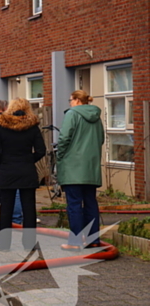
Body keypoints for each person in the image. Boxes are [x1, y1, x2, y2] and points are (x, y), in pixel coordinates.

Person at [0, 98, 46, 251]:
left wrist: (5, 160)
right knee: (28, 208)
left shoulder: (2, 127)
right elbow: (41, 150)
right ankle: (28, 244)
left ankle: (4, 244)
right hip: (27, 170)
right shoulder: (32, 127)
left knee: (6, 208)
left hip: (8, 170)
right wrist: (29, 159)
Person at [56, 90, 104, 250]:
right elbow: (101, 139)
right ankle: (93, 240)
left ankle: (75, 242)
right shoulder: (97, 117)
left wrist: (60, 156)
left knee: (74, 204)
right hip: (90, 167)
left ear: (76, 100)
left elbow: (64, 138)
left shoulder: (72, 114)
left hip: (73, 167)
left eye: (70, 100)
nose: (69, 103)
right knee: (90, 202)